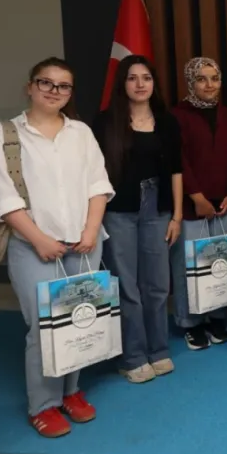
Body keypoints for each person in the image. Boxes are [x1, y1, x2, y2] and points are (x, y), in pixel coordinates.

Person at [0, 57, 113, 437]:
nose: (54, 91)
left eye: (63, 86)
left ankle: (71, 391)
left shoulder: (80, 133)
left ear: (70, 93)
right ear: (30, 87)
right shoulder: (1, 135)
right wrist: (38, 238)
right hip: (32, 246)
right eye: (46, 83)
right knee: (43, 327)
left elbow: (97, 184)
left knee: (80, 317)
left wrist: (91, 230)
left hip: (84, 243)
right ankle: (44, 405)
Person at [92, 55, 183, 384]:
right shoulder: (105, 122)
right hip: (119, 211)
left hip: (158, 209)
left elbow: (176, 171)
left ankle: (158, 349)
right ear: (122, 83)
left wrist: (177, 216)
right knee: (127, 286)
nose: (140, 84)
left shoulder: (167, 122)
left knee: (157, 284)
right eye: (132, 78)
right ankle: (132, 356)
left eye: (146, 77)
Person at [170, 57, 227, 350]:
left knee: (220, 262)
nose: (209, 85)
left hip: (224, 203)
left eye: (214, 78)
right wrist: (196, 196)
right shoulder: (177, 115)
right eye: (201, 79)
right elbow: (178, 160)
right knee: (189, 265)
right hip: (191, 206)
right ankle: (191, 323)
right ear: (190, 82)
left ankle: (218, 317)